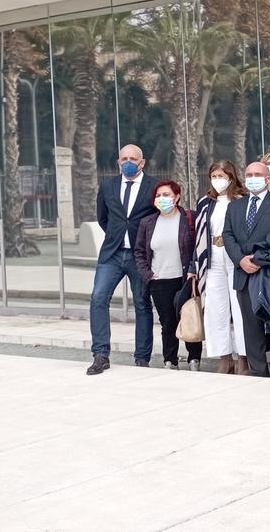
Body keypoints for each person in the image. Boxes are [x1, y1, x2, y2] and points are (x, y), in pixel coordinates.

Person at [87, 144, 158, 375]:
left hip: (140, 255)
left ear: (142, 162)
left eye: (133, 158)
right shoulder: (108, 185)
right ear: (118, 161)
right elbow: (103, 218)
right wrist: (119, 235)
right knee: (98, 298)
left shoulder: (153, 186)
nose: (128, 162)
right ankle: (100, 354)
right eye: (124, 158)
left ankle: (142, 358)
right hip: (113, 253)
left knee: (142, 303)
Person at [223, 161, 270, 379]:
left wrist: (257, 259)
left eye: (257, 174)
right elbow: (228, 236)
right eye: (248, 174)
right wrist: (240, 260)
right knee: (250, 328)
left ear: (267, 179)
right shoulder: (234, 206)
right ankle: (258, 373)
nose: (252, 177)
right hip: (243, 275)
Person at [134, 180, 201, 370]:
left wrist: (193, 269)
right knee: (167, 322)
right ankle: (170, 360)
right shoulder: (148, 222)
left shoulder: (189, 218)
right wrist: (148, 274)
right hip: (159, 281)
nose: (162, 199)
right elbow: (139, 251)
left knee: (189, 317)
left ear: (177, 197)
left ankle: (194, 358)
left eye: (166, 195)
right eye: (158, 196)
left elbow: (198, 246)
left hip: (184, 279)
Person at [193, 161, 248, 375]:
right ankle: (225, 357)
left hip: (235, 259)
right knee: (216, 310)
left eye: (221, 175)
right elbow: (197, 236)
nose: (217, 180)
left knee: (240, 309)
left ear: (231, 177)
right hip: (212, 259)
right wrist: (193, 265)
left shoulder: (241, 200)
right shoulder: (205, 202)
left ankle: (243, 357)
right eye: (214, 175)